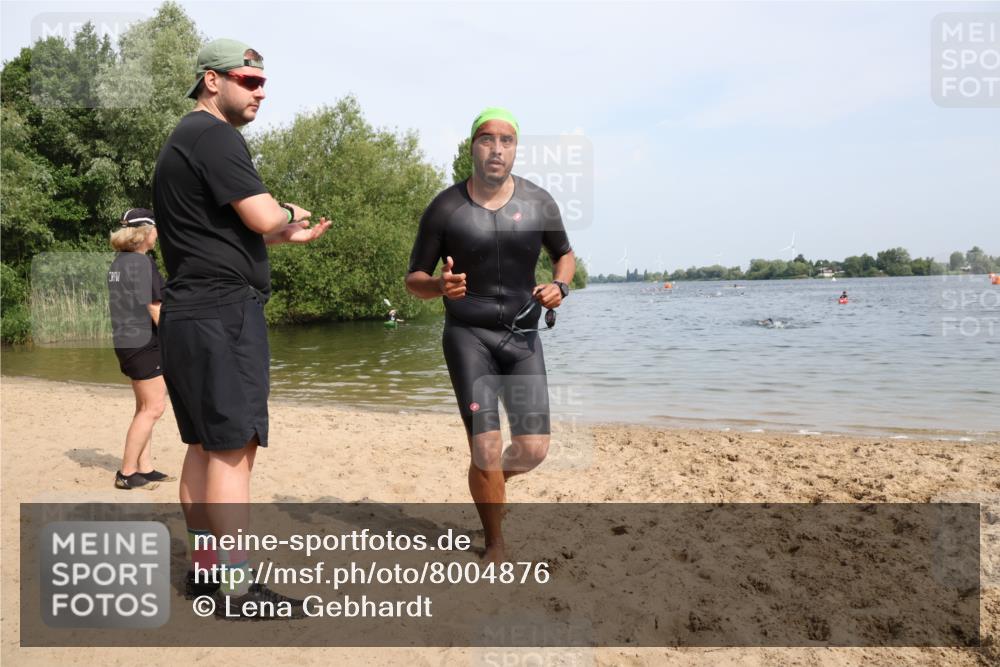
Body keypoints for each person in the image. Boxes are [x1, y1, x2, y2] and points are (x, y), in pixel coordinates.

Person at [153, 38, 330, 619]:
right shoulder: (216, 135)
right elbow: (261, 213)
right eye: (247, 81)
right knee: (233, 452)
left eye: (262, 84)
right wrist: (290, 214)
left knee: (203, 449)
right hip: (222, 313)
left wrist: (280, 235)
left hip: (190, 310)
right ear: (212, 80)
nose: (259, 92)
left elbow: (229, 231)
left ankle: (206, 578)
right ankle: (235, 589)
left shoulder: (185, 139)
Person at [406, 108, 576, 562]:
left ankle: (487, 480)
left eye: (506, 140)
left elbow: (565, 256)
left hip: (522, 336)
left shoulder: (539, 202)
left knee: (534, 449)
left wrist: (559, 286)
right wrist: (439, 286)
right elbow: (413, 279)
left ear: (516, 149)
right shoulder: (445, 208)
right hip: (468, 336)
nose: (496, 149)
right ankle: (495, 541)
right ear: (472, 146)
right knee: (485, 444)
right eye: (486, 139)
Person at [107, 208, 173, 490]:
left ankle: (144, 468)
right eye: (156, 229)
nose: (158, 234)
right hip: (144, 343)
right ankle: (127, 473)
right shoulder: (141, 264)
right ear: (145, 232)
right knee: (154, 407)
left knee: (144, 407)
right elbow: (154, 309)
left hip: (127, 342)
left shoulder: (119, 264)